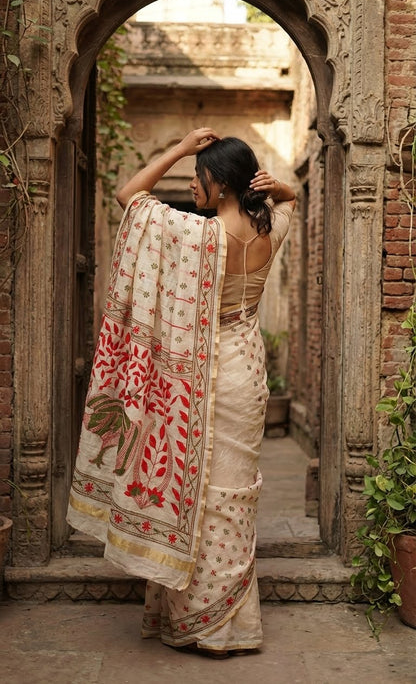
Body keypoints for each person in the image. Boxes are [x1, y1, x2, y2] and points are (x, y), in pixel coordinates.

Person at [67, 127, 295, 659]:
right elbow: (290, 199)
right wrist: (277, 187)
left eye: (200, 177)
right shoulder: (270, 233)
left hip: (198, 374)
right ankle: (231, 625)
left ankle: (197, 624)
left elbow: (130, 197)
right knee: (232, 497)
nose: (193, 184)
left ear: (221, 186)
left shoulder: (194, 236)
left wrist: (179, 148)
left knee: (193, 494)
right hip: (245, 372)